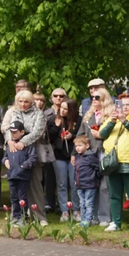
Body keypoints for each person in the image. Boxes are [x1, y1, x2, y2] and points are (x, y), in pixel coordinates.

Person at [99, 94, 129, 233]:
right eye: (122, 104)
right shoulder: (111, 119)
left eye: (128, 104)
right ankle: (115, 222)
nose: (124, 107)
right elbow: (102, 134)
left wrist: (125, 121)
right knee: (115, 195)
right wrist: (112, 122)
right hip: (113, 162)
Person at [2, 90, 48, 226]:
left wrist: (23, 142)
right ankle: (16, 216)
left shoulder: (38, 114)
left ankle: (39, 216)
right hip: (15, 151)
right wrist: (9, 140)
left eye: (26, 102)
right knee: (16, 186)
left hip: (32, 150)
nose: (23, 104)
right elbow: (7, 129)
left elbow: (37, 132)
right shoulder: (15, 112)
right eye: (20, 101)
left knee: (35, 185)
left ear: (31, 102)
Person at [76, 89, 113, 225]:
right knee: (91, 184)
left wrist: (101, 135)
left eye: (97, 97)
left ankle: (105, 217)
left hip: (104, 151)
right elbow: (80, 134)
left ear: (104, 99)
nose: (93, 99)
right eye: (92, 97)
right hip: (89, 153)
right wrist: (77, 151)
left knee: (104, 185)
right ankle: (92, 217)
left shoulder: (111, 115)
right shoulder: (88, 115)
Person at [48, 99, 81, 221]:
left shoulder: (79, 120)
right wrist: (56, 127)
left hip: (74, 155)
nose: (62, 110)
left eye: (65, 109)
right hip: (59, 156)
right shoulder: (54, 119)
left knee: (74, 183)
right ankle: (64, 211)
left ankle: (76, 209)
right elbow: (49, 137)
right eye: (61, 107)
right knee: (61, 183)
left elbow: (82, 136)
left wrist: (72, 136)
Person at [3, 121, 36, 225]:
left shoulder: (27, 144)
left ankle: (23, 216)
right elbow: (5, 156)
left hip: (22, 176)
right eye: (11, 132)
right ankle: (15, 216)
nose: (13, 134)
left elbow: (33, 158)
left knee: (22, 197)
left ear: (22, 132)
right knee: (14, 197)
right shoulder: (10, 144)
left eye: (15, 132)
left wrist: (23, 166)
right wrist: (5, 161)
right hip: (11, 175)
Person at [71, 136, 101, 228]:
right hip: (79, 185)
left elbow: (98, 169)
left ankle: (88, 220)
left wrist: (95, 180)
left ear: (87, 146)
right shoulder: (77, 157)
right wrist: (75, 180)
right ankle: (83, 220)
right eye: (76, 146)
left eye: (80, 145)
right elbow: (76, 171)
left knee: (88, 203)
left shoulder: (91, 157)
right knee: (82, 203)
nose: (77, 148)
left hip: (90, 185)